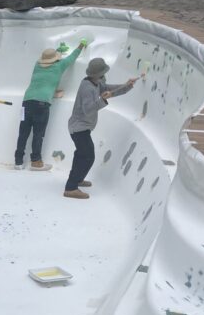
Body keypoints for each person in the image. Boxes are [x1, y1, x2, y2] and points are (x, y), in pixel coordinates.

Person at [64, 57, 137, 200]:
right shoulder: (87, 87)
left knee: (81, 155)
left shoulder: (96, 83)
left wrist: (127, 85)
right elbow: (88, 110)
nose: (104, 76)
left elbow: (111, 90)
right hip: (78, 128)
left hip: (82, 128)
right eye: (103, 73)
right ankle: (71, 188)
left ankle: (77, 179)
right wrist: (103, 99)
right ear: (98, 74)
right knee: (87, 156)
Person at [15, 41, 86, 171]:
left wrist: (58, 50)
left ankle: (18, 162)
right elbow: (73, 57)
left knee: (23, 132)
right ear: (56, 59)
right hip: (42, 103)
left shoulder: (37, 65)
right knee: (38, 134)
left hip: (26, 102)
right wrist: (81, 45)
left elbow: (47, 68)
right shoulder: (59, 66)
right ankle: (36, 162)